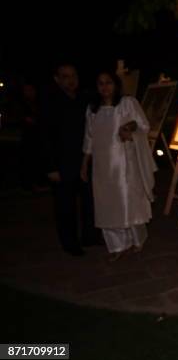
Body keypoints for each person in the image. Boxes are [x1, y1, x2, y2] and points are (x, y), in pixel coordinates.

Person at [80, 71, 156, 261]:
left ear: (116, 85)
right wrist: (84, 166)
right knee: (106, 204)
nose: (105, 87)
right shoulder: (92, 109)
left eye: (108, 83)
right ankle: (116, 245)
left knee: (127, 202)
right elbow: (88, 139)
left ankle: (136, 240)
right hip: (101, 166)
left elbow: (143, 125)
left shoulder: (127, 103)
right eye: (100, 83)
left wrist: (129, 127)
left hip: (125, 165)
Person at [40, 63, 99, 256]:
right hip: (61, 163)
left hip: (83, 160)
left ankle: (89, 236)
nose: (71, 80)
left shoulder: (83, 99)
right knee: (65, 205)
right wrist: (51, 167)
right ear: (57, 79)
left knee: (88, 201)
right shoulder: (50, 101)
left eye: (73, 75)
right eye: (65, 76)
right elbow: (45, 137)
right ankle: (69, 242)